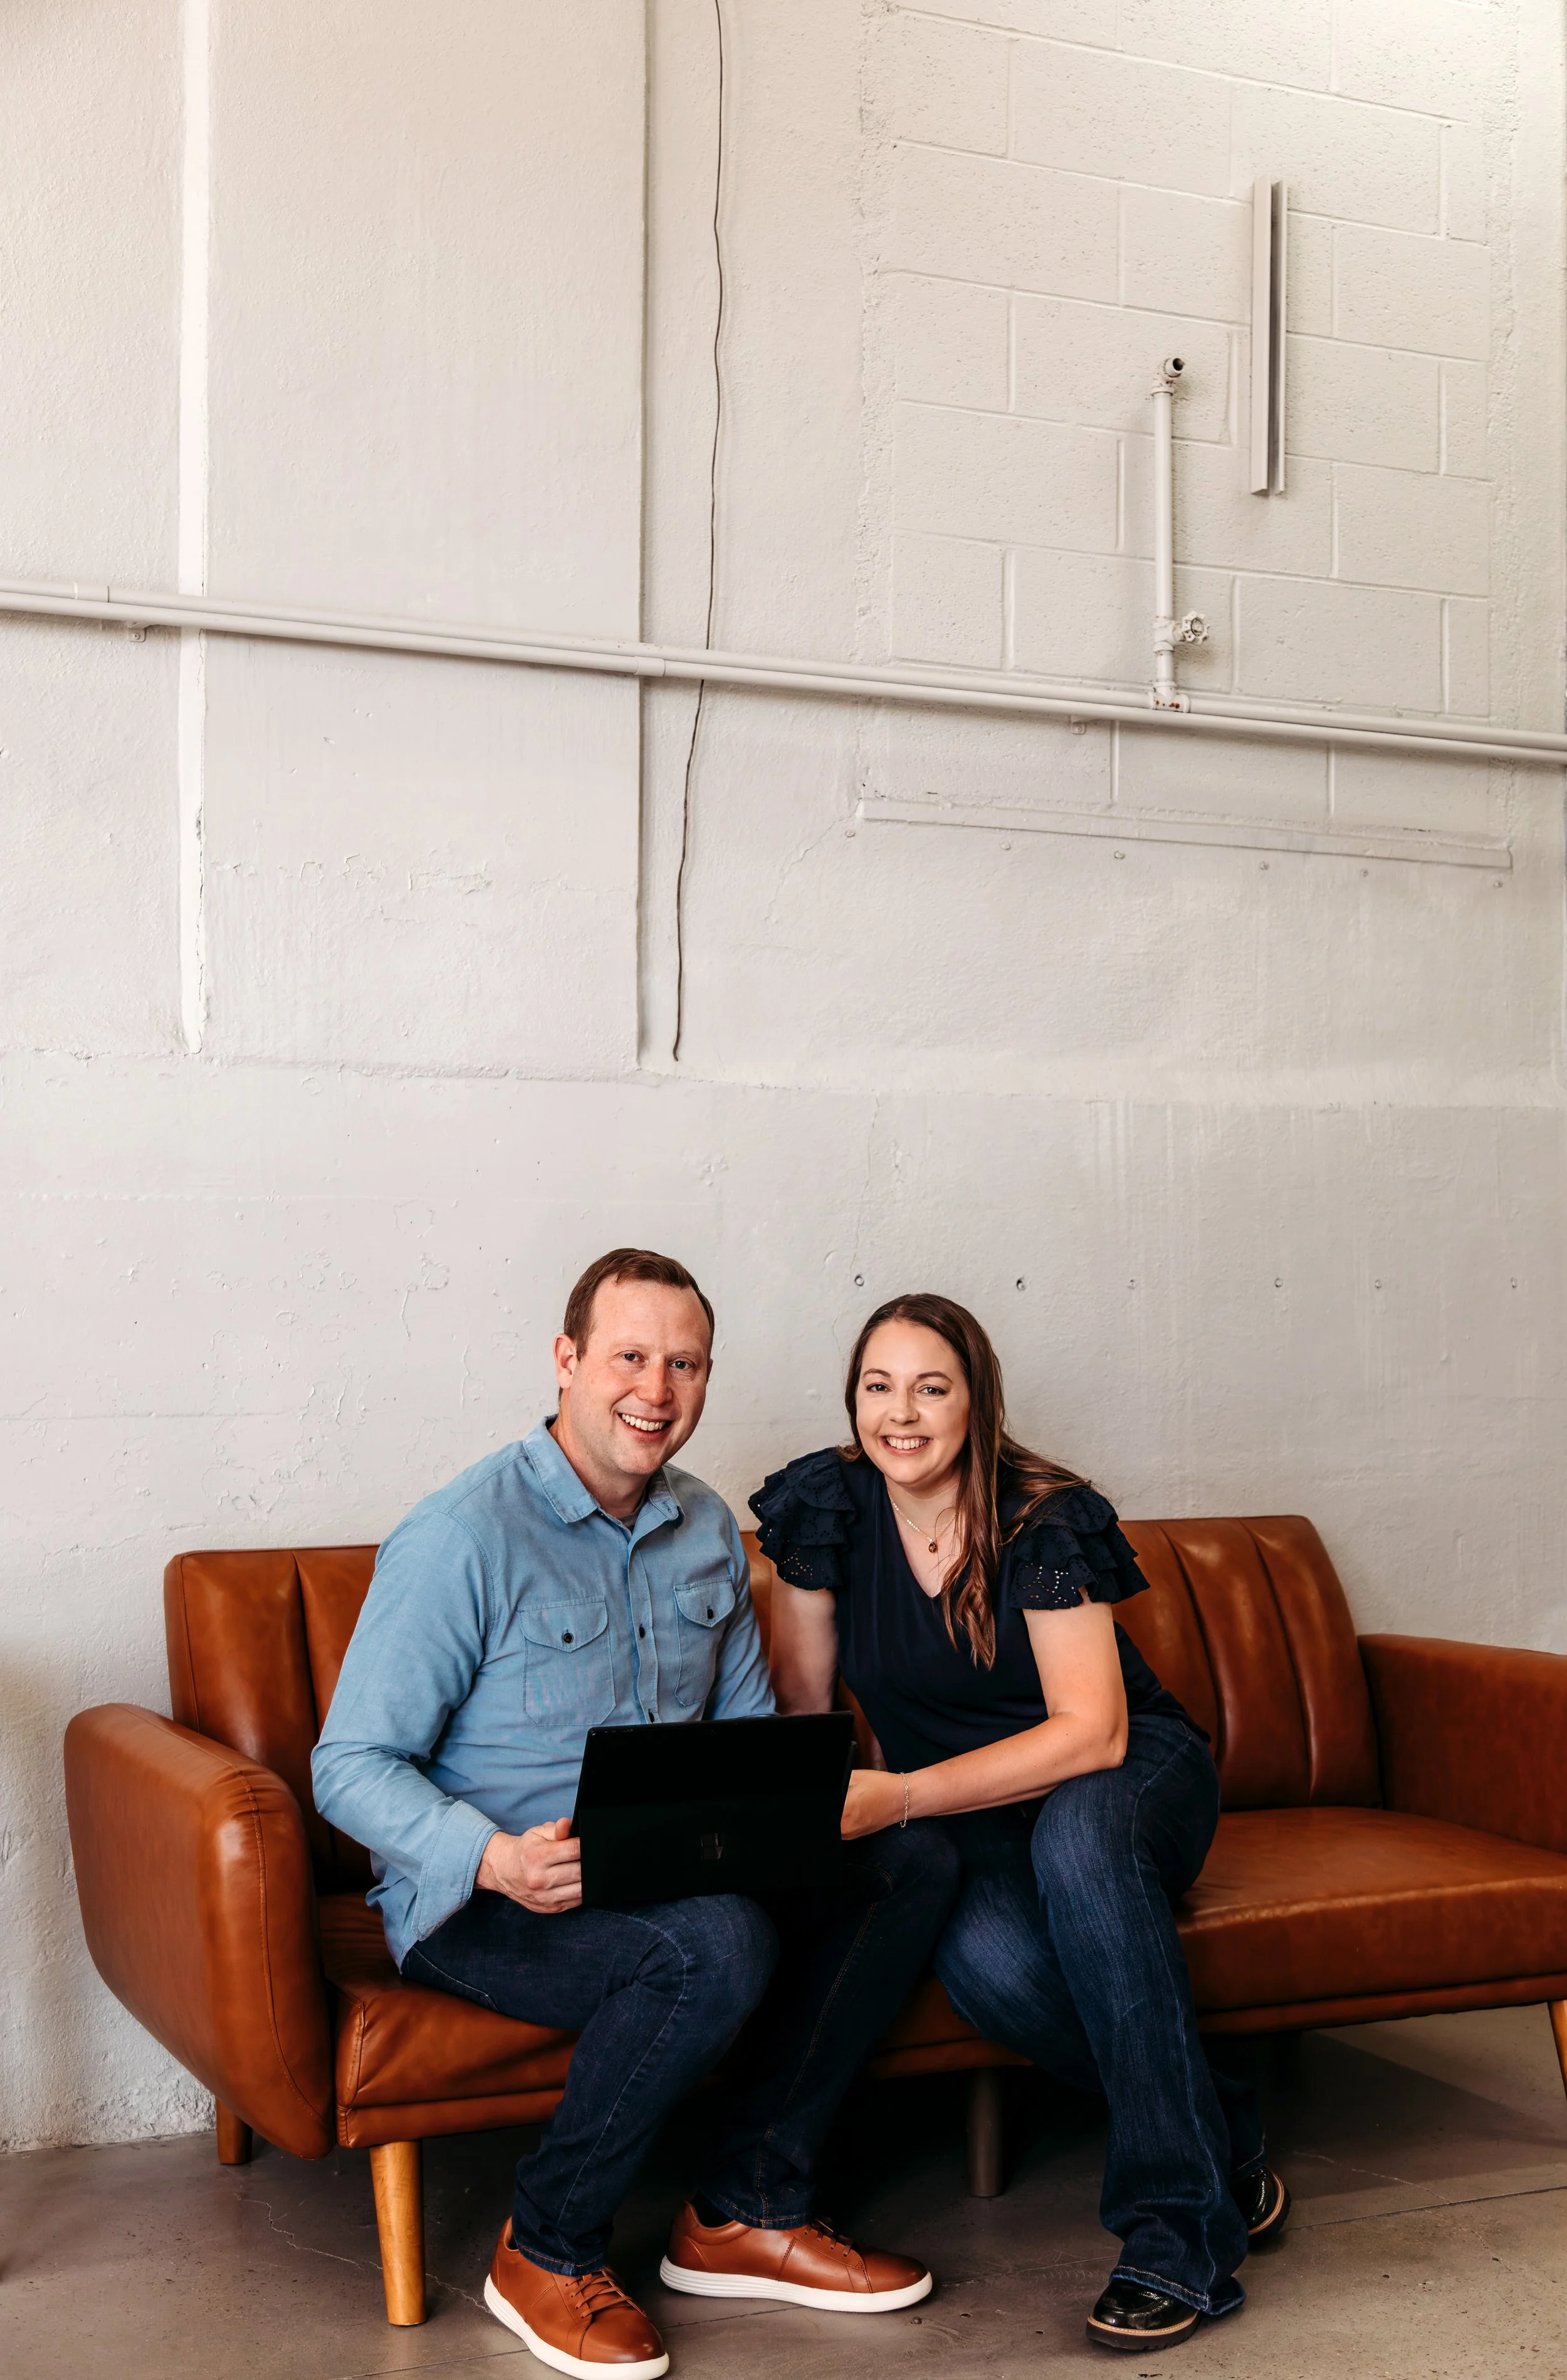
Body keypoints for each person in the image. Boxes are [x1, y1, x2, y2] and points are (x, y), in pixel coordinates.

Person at [312, 1249, 957, 2380]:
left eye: (685, 1364)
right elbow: (350, 1765)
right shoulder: (463, 1534)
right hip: (492, 1899)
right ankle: (546, 2249)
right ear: (566, 1362)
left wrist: (794, 1818)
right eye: (628, 1357)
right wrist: (494, 1856)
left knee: (915, 1859)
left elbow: (750, 1728)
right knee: (716, 1941)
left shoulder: (707, 1524)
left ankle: (746, 2208)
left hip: (670, 1866)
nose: (655, 1391)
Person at [758, 1292, 1288, 2356]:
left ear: (978, 1402)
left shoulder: (1042, 1516)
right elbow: (804, 1714)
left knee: (1079, 1838)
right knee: (992, 1967)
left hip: (1131, 1777)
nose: (900, 1413)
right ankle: (1221, 2124)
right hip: (977, 1811)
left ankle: (1175, 2235)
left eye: (931, 1387)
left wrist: (903, 1795)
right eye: (878, 1386)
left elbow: (1091, 1735)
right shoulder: (827, 1509)